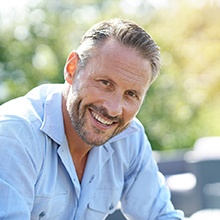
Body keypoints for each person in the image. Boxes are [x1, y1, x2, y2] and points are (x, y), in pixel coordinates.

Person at [0, 18, 184, 219]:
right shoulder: (14, 135)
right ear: (72, 69)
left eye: (131, 94)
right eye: (105, 83)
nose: (113, 109)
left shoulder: (129, 138)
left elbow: (161, 215)